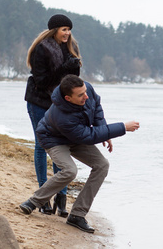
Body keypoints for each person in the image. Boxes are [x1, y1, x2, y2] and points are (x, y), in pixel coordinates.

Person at [19, 74, 140, 233]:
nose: (86, 96)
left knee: (102, 165)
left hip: (76, 134)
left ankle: (77, 215)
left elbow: (96, 105)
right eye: (81, 95)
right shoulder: (63, 117)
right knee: (70, 171)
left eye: (85, 91)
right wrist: (123, 127)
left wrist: (105, 131)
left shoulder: (86, 88)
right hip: (53, 139)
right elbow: (89, 136)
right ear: (68, 98)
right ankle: (33, 202)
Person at [24, 14, 81, 217]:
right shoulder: (42, 48)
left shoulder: (71, 47)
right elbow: (41, 81)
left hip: (60, 104)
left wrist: (74, 70)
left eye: (69, 29)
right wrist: (62, 69)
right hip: (39, 101)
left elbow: (73, 83)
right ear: (54, 30)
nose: (67, 33)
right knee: (41, 146)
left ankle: (61, 198)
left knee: (60, 146)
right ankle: (43, 197)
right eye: (63, 29)